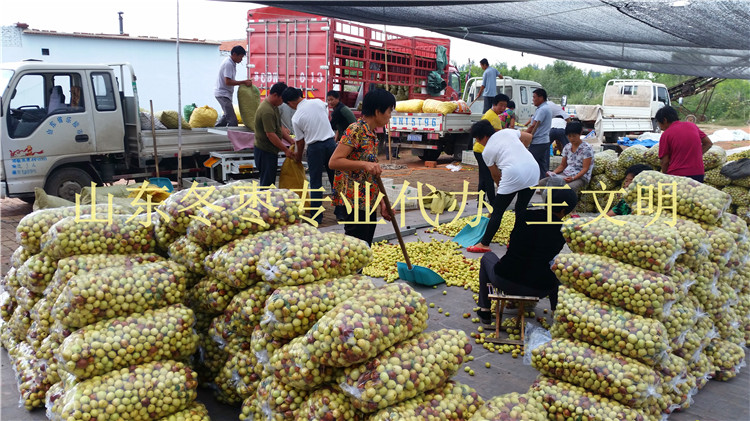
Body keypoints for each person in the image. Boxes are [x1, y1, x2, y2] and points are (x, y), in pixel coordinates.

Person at [475, 187, 578, 323]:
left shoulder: (525, 215)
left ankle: (485, 311)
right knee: (558, 267)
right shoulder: (563, 230)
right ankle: (556, 312)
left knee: (487, 258)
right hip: (540, 288)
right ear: (564, 211)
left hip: (505, 279)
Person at [329, 89, 395, 245]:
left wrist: (382, 202)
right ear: (378, 112)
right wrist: (364, 164)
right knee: (356, 248)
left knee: (365, 246)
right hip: (354, 200)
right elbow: (334, 161)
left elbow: (371, 174)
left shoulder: (371, 135)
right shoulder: (356, 130)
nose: (390, 116)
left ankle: (360, 270)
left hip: (368, 199)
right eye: (389, 111)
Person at [466, 120, 538, 254]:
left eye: (477, 139)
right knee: (521, 208)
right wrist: (520, 151)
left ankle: (484, 243)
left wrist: (501, 194)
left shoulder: (487, 151)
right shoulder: (508, 132)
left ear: (484, 136)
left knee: (498, 211)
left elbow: (495, 175)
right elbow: (528, 137)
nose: (478, 142)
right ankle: (517, 241)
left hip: (513, 173)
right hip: (533, 169)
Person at [282, 87, 338, 225]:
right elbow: (325, 115)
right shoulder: (319, 103)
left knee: (316, 183)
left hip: (315, 148)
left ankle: (317, 217)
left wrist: (299, 157)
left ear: (290, 103)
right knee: (335, 179)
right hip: (331, 145)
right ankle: (341, 212)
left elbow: (300, 142)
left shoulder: (296, 117)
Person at [254, 82, 297, 187]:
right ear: (275, 95)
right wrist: (285, 149)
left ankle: (267, 201)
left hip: (271, 151)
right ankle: (264, 203)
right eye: (282, 99)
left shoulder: (274, 107)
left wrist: (291, 141)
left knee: (270, 181)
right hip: (265, 151)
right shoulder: (267, 110)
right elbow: (271, 134)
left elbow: (279, 127)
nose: (282, 102)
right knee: (267, 183)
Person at [656, 105, 713, 182]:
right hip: (698, 173)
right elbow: (708, 143)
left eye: (659, 124)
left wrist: (666, 176)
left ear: (664, 120)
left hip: (677, 175)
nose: (660, 127)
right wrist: (696, 155)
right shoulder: (692, 126)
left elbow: (664, 161)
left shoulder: (666, 134)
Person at [537, 121, 594, 194]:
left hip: (581, 177)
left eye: (574, 136)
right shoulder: (567, 147)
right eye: (569, 136)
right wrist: (553, 173)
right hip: (566, 174)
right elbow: (562, 165)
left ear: (580, 133)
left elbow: (585, 168)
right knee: (542, 183)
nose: (571, 139)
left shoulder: (587, 148)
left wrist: (573, 178)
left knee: (568, 189)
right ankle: (548, 204)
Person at [474, 94, 511, 206]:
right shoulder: (492, 117)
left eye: (505, 106)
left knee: (484, 177)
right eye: (501, 105)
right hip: (483, 151)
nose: (503, 108)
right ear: (494, 104)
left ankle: (480, 201)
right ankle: (493, 202)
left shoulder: (491, 115)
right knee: (489, 177)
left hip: (479, 150)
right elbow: (497, 136)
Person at [214, 46, 253, 127]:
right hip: (222, 94)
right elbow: (227, 82)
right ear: (234, 54)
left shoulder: (232, 63)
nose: (241, 59)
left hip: (225, 94)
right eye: (241, 57)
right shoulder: (228, 63)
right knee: (232, 120)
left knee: (226, 117)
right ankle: (232, 138)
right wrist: (243, 82)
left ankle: (214, 132)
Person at [526, 88, 553, 180]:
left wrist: (523, 135)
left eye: (534, 97)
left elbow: (533, 126)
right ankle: (544, 184)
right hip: (544, 141)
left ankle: (529, 183)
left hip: (538, 141)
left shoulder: (542, 110)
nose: (533, 99)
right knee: (542, 165)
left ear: (541, 97)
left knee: (530, 162)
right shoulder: (544, 108)